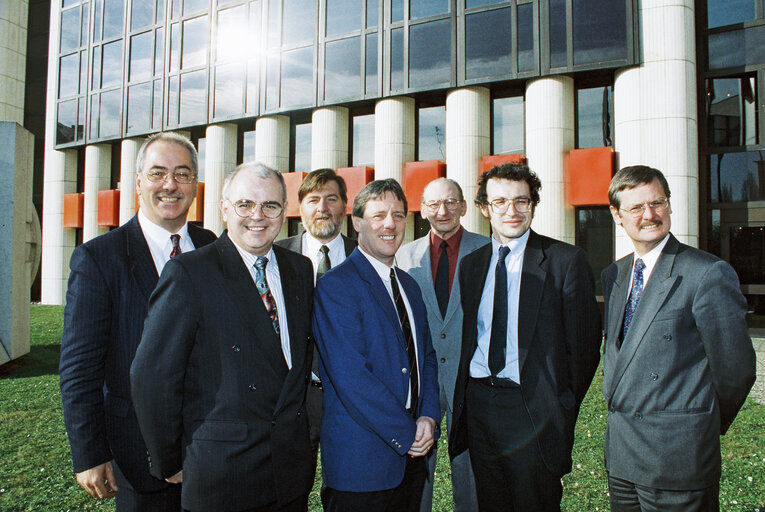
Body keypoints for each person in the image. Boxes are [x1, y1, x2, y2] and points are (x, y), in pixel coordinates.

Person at [130, 163, 315, 512]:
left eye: (270, 205)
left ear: (284, 211)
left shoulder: (299, 269)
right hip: (223, 476)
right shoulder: (189, 273)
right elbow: (152, 377)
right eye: (245, 204)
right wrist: (170, 460)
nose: (257, 215)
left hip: (290, 476)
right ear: (224, 207)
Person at [59, 132, 216, 510]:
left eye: (182, 174)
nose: (169, 185)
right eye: (158, 173)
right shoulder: (99, 259)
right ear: (138, 182)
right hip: (137, 453)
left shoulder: (212, 245)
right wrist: (89, 453)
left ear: (195, 184)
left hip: (212, 446)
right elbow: (80, 367)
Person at [601, 165, 756, 512]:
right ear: (617, 215)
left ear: (669, 205)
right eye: (637, 208)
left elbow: (736, 370)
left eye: (657, 203)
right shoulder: (615, 275)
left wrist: (693, 425)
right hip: (623, 460)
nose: (649, 215)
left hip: (677, 460)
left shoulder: (706, 273)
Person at [450, 163, 601, 512]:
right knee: (491, 502)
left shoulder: (566, 261)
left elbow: (584, 350)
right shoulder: (472, 265)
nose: (512, 211)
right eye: (500, 201)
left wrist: (559, 406)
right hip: (480, 407)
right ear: (484, 208)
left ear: (534, 204)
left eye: (522, 201)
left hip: (533, 410)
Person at [312, 178, 440, 512]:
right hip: (362, 466)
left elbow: (425, 356)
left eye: (398, 215)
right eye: (378, 215)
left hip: (412, 461)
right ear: (356, 223)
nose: (390, 224)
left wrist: (428, 416)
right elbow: (351, 377)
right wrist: (407, 431)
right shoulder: (335, 287)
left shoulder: (410, 286)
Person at [396, 178, 487, 512]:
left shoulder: (488, 251)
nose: (443, 211)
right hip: (421, 379)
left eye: (451, 202)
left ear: (463, 206)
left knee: (473, 472)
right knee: (417, 469)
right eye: (434, 204)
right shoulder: (404, 256)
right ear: (423, 209)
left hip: (471, 379)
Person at [274, 168, 356, 478]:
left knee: (347, 491)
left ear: (344, 206)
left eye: (331, 199)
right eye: (313, 200)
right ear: (300, 207)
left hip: (348, 399)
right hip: (292, 399)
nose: (322, 208)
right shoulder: (276, 256)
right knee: (289, 491)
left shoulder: (365, 255)